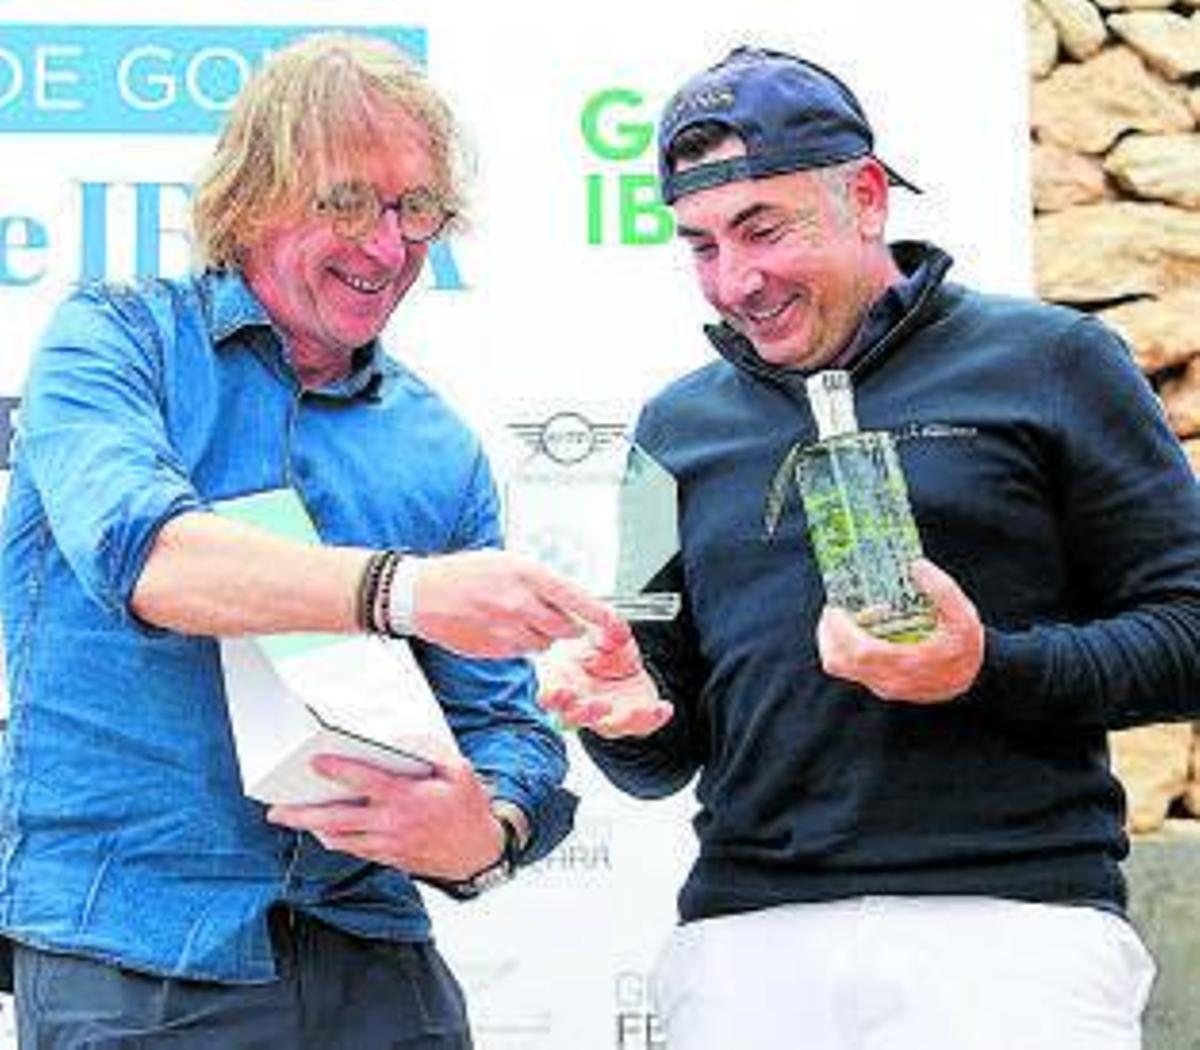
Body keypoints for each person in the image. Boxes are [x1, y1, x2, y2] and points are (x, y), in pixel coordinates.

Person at [541, 45, 1200, 1050]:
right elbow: (656, 742)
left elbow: (1189, 632)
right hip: (746, 943)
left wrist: (988, 667)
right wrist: (624, 717)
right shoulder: (666, 431)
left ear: (866, 198)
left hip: (1013, 933)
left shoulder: (1057, 362)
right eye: (703, 245)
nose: (735, 280)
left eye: (762, 230)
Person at [0, 32, 619, 1049]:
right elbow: (149, 557)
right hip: (140, 953)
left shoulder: (439, 445)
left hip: (380, 968)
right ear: (249, 197)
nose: (387, 246)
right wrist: (401, 591)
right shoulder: (113, 341)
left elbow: (502, 729)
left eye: (415, 208)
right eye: (345, 201)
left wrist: (489, 833)